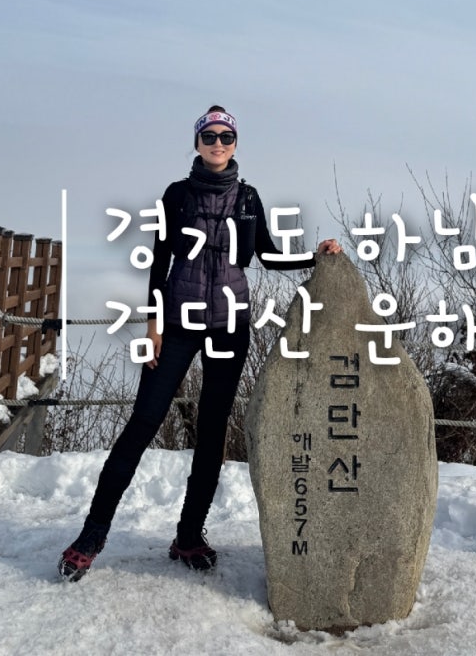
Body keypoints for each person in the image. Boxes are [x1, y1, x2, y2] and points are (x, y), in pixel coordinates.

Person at [58, 105, 341, 580]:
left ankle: (189, 535)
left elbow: (267, 256)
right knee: (143, 422)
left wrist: (315, 257)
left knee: (212, 433)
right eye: (209, 136)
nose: (217, 143)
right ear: (196, 143)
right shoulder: (177, 195)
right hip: (177, 321)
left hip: (230, 324)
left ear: (235, 144)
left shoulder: (248, 198)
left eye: (225, 136)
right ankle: (92, 534)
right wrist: (153, 325)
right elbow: (159, 260)